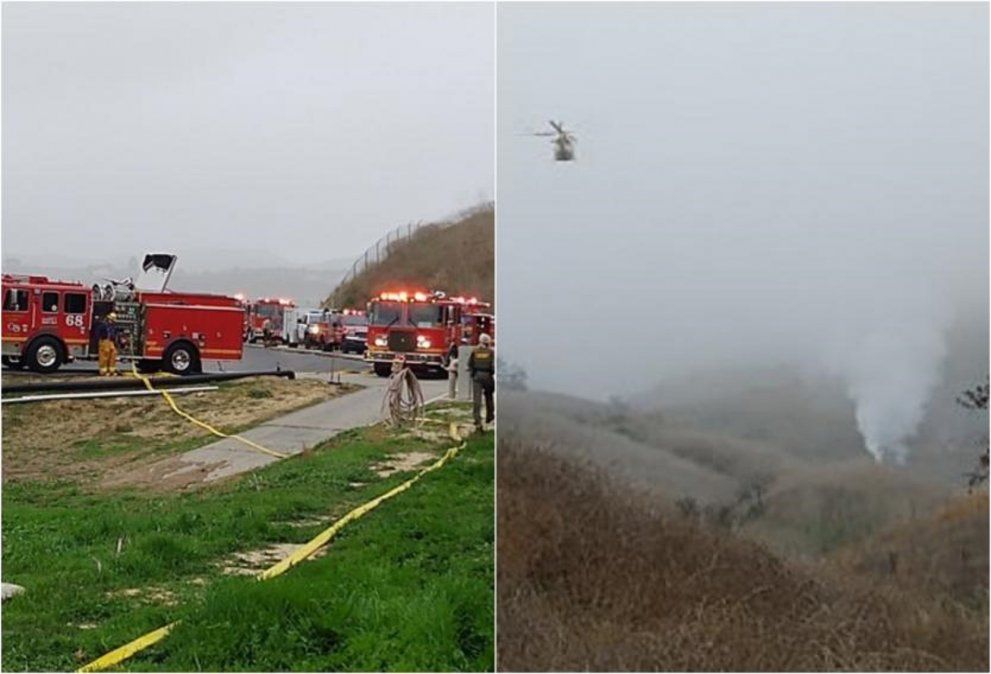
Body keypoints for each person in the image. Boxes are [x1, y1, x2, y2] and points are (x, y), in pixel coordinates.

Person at [468, 333, 495, 431]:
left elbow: (470, 364)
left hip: (477, 376)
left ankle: (477, 419)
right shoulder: (491, 352)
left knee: (477, 399)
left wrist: (473, 374)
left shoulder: (474, 351)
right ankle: (490, 417)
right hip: (487, 376)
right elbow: (493, 366)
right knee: (489, 397)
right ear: (488, 342)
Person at [96, 312, 119, 376]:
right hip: (104, 340)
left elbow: (114, 334)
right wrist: (100, 340)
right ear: (109, 319)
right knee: (104, 355)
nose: (112, 321)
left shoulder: (113, 326)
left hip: (111, 341)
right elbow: (98, 333)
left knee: (113, 354)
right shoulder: (102, 325)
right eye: (111, 319)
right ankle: (103, 371)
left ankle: (111, 370)